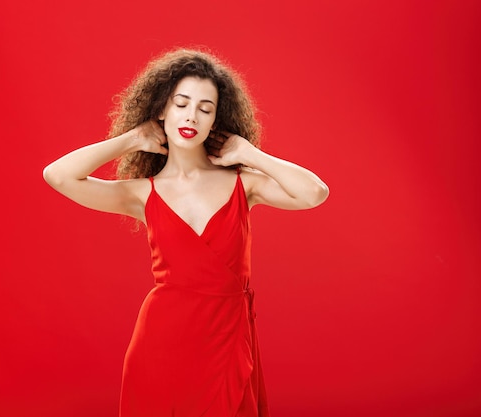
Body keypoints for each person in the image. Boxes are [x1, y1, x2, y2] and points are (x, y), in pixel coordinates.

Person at [43, 47, 329, 417]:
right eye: (181, 104)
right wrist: (132, 139)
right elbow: (58, 175)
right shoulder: (141, 192)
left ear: (215, 120)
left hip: (227, 340)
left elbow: (315, 193)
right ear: (162, 109)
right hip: (161, 346)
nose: (191, 115)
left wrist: (251, 154)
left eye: (205, 108)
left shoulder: (245, 183)